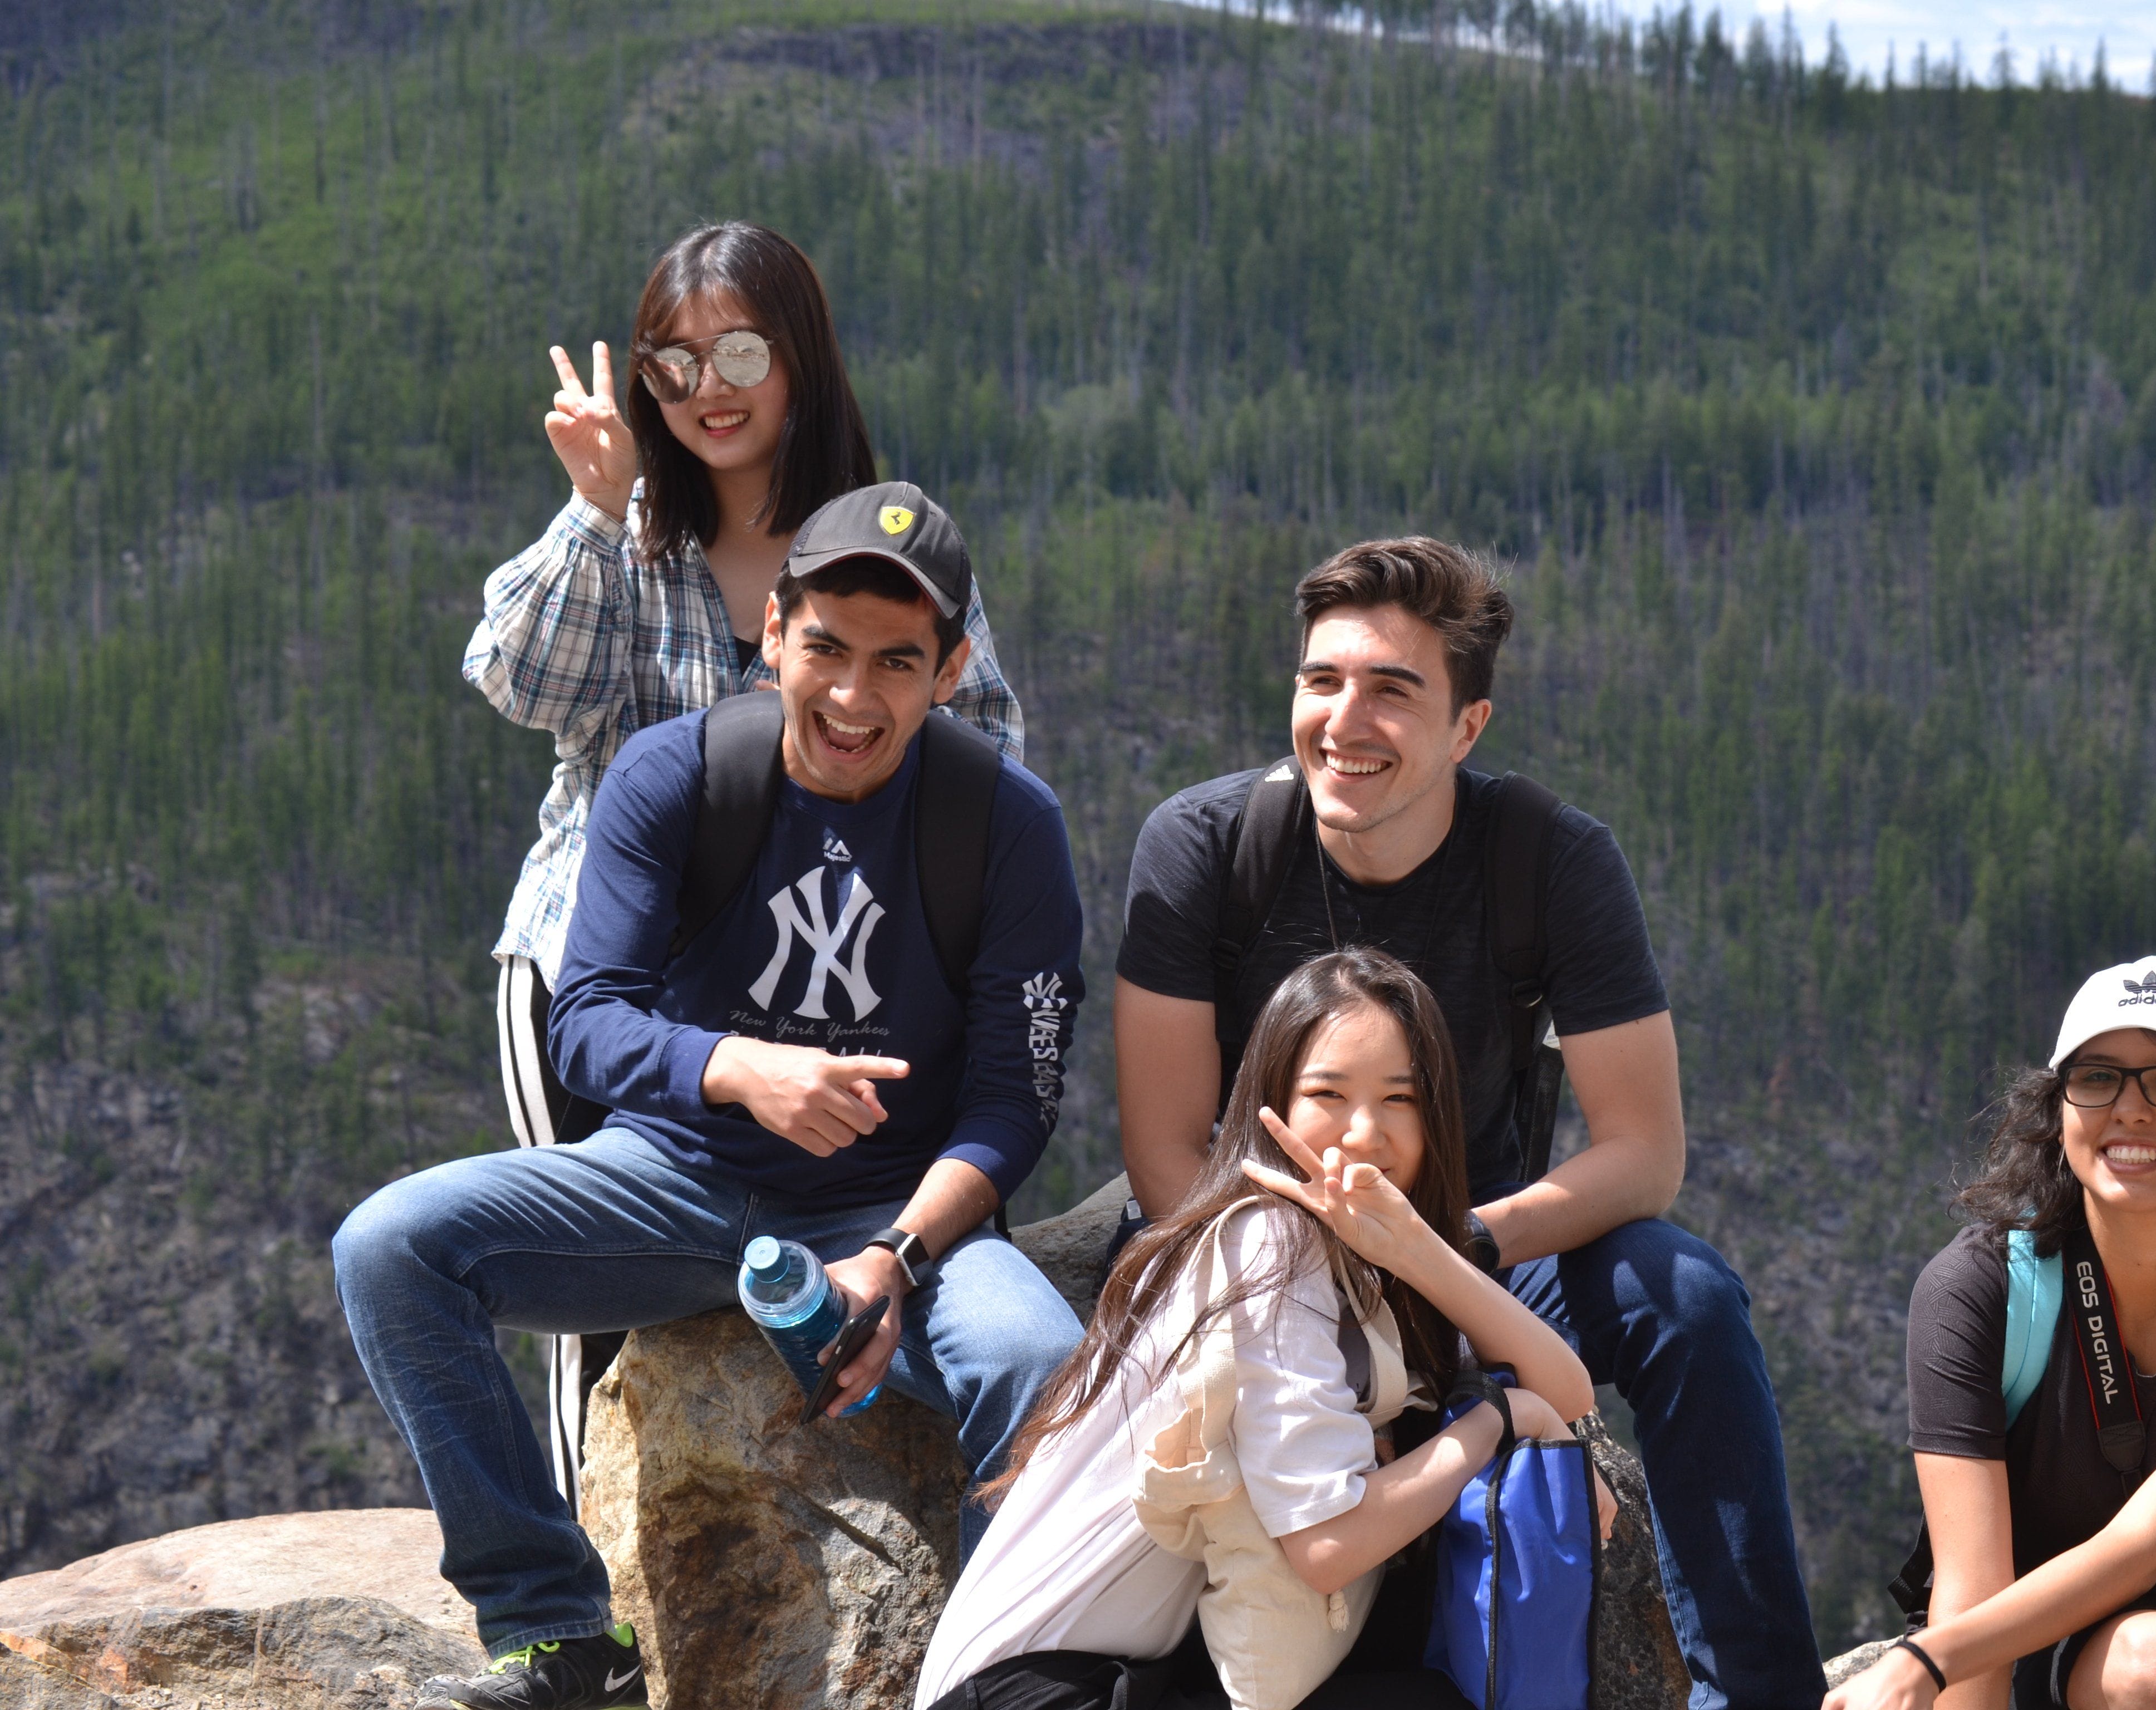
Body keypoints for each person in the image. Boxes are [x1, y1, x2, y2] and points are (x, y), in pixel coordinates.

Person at [337, 486, 1083, 1710]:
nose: (853, 696)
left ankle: (986, 1682)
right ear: (773, 634)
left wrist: (895, 1259)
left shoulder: (1006, 825)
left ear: (951, 671)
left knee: (1043, 1368)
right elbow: (587, 1020)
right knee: (390, 1249)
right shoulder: (673, 774)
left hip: (891, 1213)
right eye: (826, 648)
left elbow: (1015, 1101)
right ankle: (559, 1635)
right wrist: (741, 1068)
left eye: (897, 662)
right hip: (672, 1178)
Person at [1112, 538, 1825, 1710]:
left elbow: (1645, 1156)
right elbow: (1166, 1153)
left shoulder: (1550, 861)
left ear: (1468, 728)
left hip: (1469, 1249)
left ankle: (1754, 1696)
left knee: (1686, 1301)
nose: (1346, 721)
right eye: (1322, 680)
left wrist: (1452, 1251)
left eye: (1393, 691)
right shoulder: (1208, 848)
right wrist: (1315, 1292)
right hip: (1252, 1245)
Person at [463, 220, 1023, 1505]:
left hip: (829, 982)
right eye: (671, 364)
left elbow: (986, 750)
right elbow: (518, 681)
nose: (704, 389)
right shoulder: (628, 532)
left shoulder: (889, 548)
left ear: (801, 359)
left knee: (834, 1266)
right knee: (594, 1298)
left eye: (740, 354)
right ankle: (584, 1585)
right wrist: (593, 511)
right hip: (599, 975)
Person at [917, 947, 1612, 1710]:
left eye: (1401, 1099)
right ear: (1270, 1104)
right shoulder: (1267, 1245)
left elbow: (1569, 1393)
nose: (1364, 1132)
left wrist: (1421, 1252)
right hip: (1038, 1692)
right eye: (1328, 1093)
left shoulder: (1362, 1268)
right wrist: (1498, 1421)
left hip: (1123, 1678)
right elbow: (1327, 1547)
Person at [1828, 958, 2156, 1710]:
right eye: (2098, 1078)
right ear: (2058, 1110)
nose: (2130, 1110)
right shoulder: (1978, 1290)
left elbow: (2141, 1547)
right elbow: (1971, 1579)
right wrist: (1940, 1667)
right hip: (2006, 1648)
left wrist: (1921, 1663)